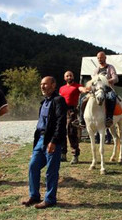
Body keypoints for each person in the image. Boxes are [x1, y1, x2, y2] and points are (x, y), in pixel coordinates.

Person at [22, 76, 67, 209]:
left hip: (52, 141)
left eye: (45, 84)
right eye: (41, 84)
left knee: (51, 171)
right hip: (40, 141)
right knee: (33, 166)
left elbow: (61, 123)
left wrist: (53, 141)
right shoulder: (44, 102)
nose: (42, 86)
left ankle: (50, 199)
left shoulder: (59, 100)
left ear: (53, 85)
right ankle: (34, 196)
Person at [59, 70, 86, 164]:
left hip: (72, 111)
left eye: (70, 75)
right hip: (61, 111)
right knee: (61, 131)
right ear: (64, 78)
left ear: (73, 77)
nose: (69, 77)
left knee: (70, 131)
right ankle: (63, 154)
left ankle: (75, 155)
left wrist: (86, 89)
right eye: (67, 76)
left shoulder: (77, 86)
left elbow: (82, 89)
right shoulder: (61, 88)